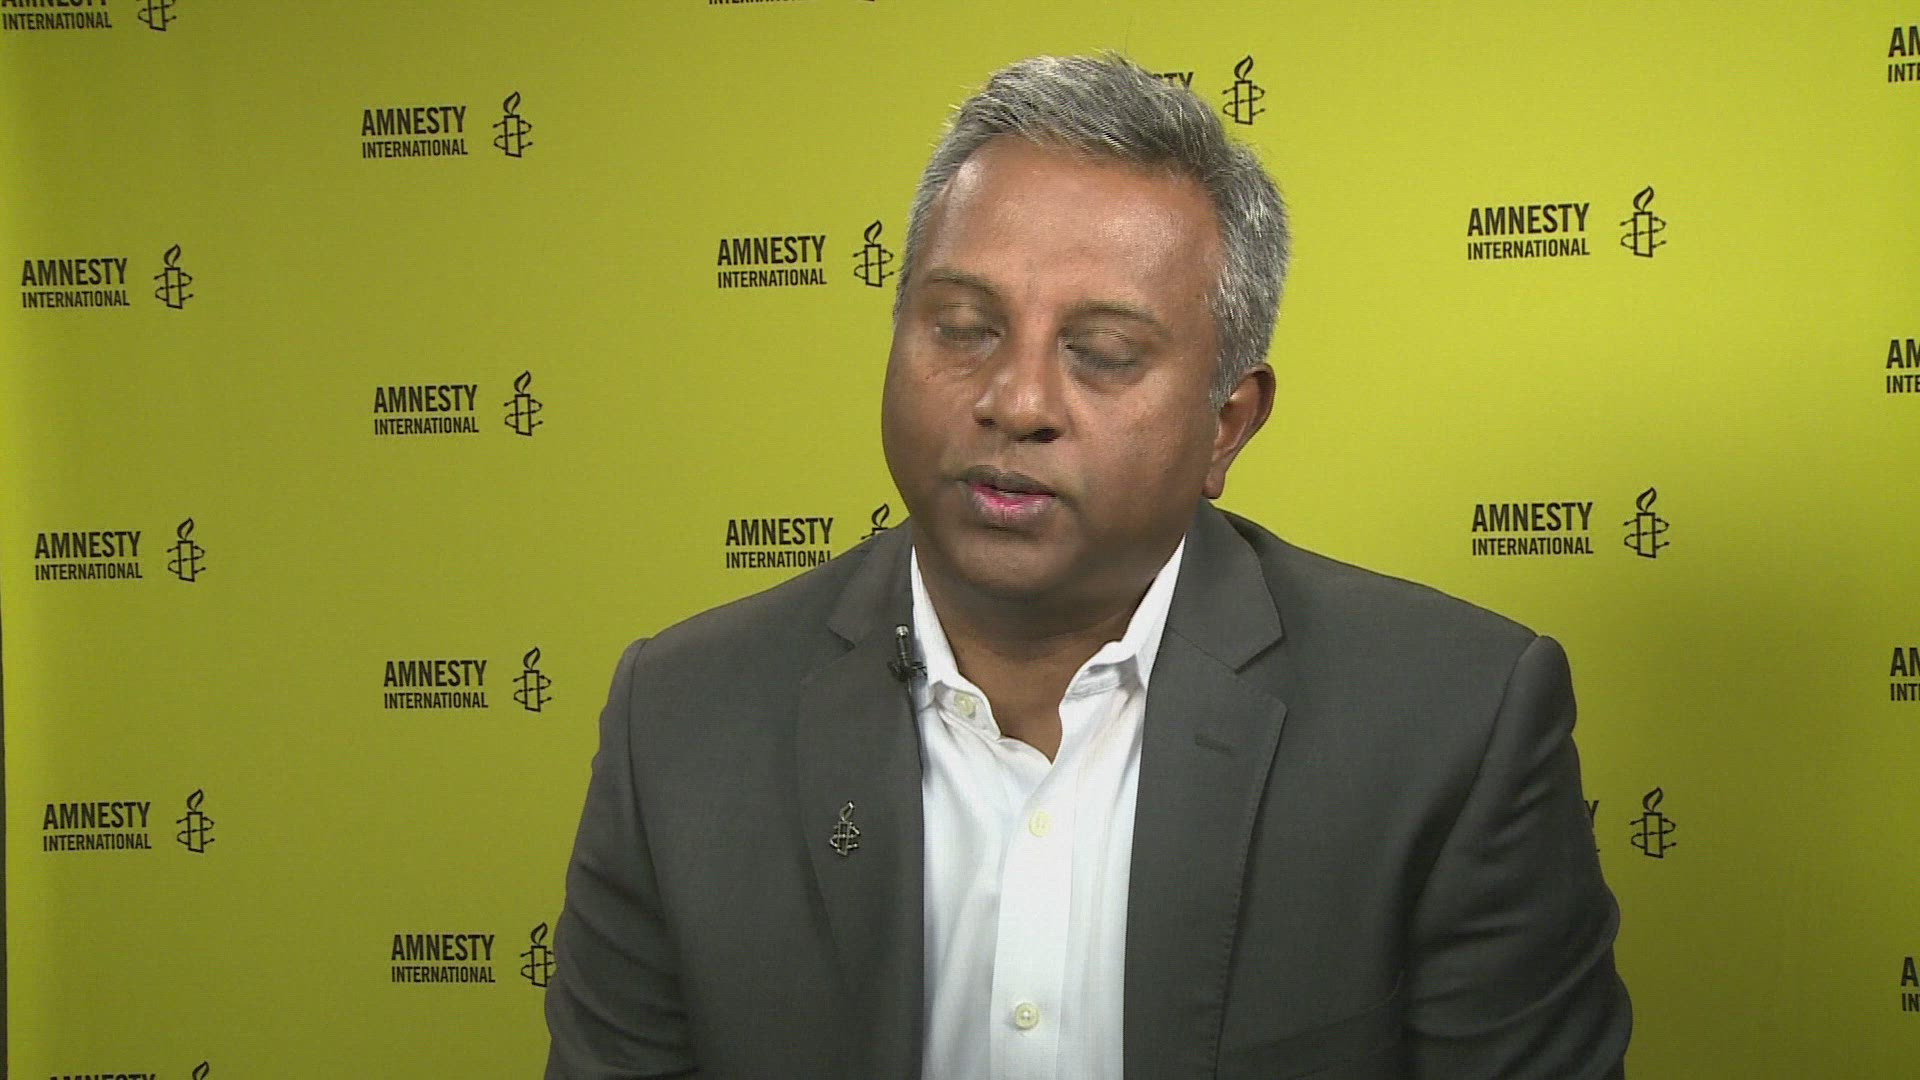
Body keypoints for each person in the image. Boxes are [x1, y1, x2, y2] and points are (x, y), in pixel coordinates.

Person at [545, 54, 1630, 1079]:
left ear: (1226, 425)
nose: (1015, 401)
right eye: (961, 327)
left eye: (1101, 355)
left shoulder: (1451, 725)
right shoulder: (680, 719)